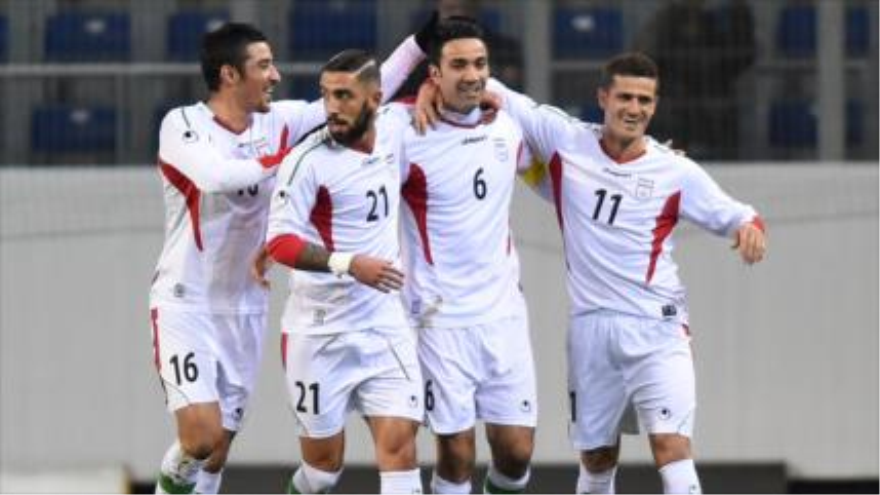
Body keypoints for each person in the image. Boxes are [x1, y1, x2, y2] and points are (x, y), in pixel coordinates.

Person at [148, 22, 427, 495]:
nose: (276, 75)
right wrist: (293, 156)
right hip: (185, 303)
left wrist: (423, 43)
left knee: (217, 453)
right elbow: (218, 176)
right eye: (264, 66)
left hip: (246, 307)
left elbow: (356, 94)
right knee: (199, 437)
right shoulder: (182, 124)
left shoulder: (278, 119)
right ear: (230, 75)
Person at [477, 52, 767, 494]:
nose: (635, 108)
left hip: (659, 327)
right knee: (596, 458)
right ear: (602, 98)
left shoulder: (674, 170)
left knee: (672, 448)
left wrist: (751, 229)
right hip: (592, 328)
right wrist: (428, 85)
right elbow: (489, 87)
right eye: (625, 97)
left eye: (645, 100)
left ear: (655, 104)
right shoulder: (565, 140)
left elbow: (738, 214)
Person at [263, 50, 424, 495]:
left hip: (383, 325)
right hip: (319, 332)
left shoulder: (394, 127)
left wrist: (440, 89)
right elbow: (279, 243)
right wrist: (348, 263)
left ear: (374, 99)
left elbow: (430, 95)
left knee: (400, 451)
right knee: (321, 471)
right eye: (325, 95)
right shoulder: (307, 160)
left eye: (343, 95)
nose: (331, 106)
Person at [399, 16, 536, 495]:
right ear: (433, 75)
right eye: (458, 65)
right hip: (439, 319)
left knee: (516, 454)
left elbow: (571, 151)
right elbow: (357, 115)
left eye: (480, 64)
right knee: (456, 454)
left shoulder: (510, 126)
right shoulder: (407, 131)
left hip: (503, 315)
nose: (473, 75)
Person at [635, 0, 756, 158]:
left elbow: (739, 57)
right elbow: (646, 58)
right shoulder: (665, 21)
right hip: (676, 105)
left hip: (713, 105)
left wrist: (740, 10)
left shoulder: (712, 23)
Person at [395, 0, 523, 98]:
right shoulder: (417, 51)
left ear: (476, 10)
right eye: (450, 9)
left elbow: (511, 89)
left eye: (465, 9)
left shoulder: (504, 47)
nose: (459, 14)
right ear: (438, 10)